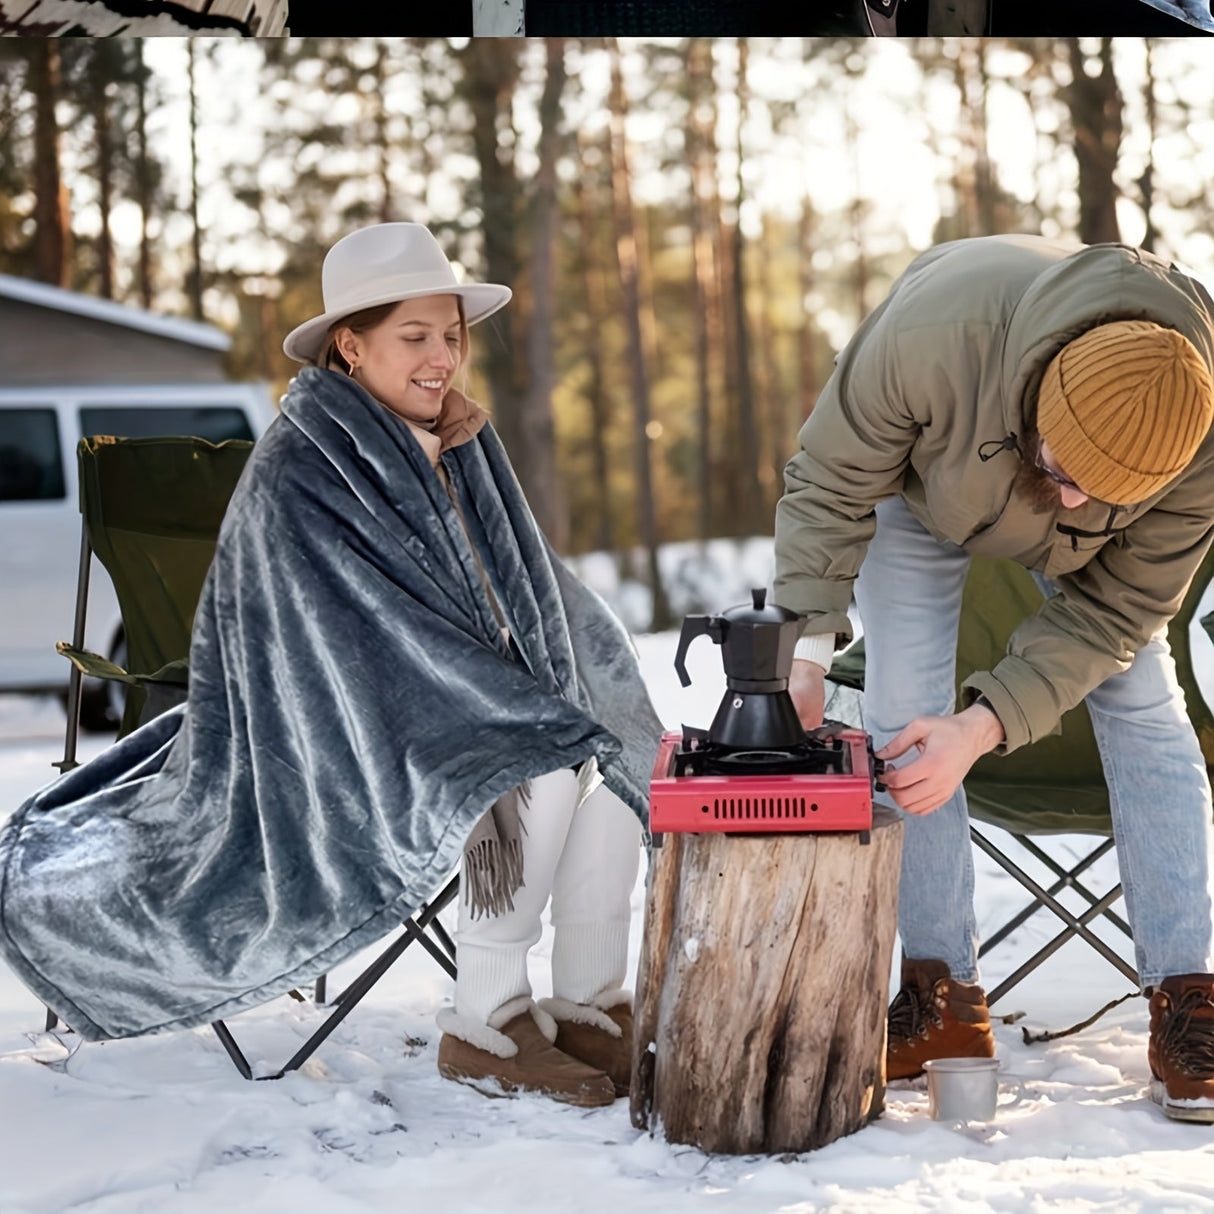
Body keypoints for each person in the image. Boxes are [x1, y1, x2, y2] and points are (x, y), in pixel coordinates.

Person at [0, 223, 660, 1110]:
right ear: (351, 345)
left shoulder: (464, 441)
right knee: (530, 761)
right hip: (331, 733)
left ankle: (588, 1007)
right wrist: (499, 704)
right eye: (414, 338)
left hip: (452, 697)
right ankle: (488, 1025)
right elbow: (337, 633)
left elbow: (533, 577)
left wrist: (575, 681)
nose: (442, 358)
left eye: (452, 335)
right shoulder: (303, 464)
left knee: (627, 754)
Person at [772, 233, 1214, 1123]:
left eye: (1111, 491)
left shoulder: (1202, 450)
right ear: (1042, 394)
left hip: (1095, 569)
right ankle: (941, 996)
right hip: (926, 489)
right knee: (904, 704)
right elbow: (828, 483)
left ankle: (1193, 998)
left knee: (1143, 697)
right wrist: (806, 653)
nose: (1081, 498)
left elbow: (1116, 616)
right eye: (1068, 470)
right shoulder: (935, 335)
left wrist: (982, 728)